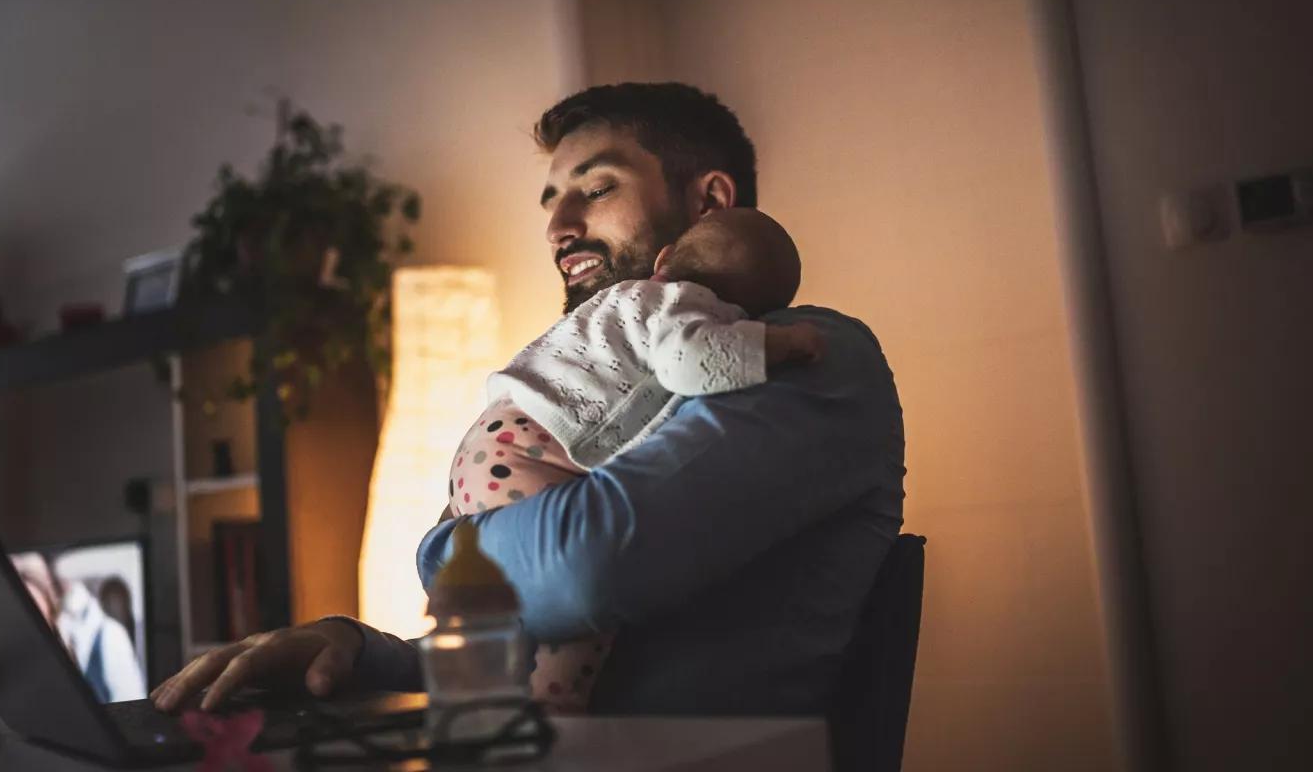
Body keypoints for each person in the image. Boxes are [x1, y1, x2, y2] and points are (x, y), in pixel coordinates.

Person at [152, 82, 905, 717]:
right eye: (551, 201)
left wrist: (443, 551)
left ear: (710, 202)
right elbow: (532, 650)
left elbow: (587, 567)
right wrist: (356, 650)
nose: (557, 226)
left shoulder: (813, 358)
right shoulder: (619, 395)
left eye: (597, 189)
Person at [453, 207, 824, 711]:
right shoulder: (686, 304)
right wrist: (779, 343)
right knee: (580, 615)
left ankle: (489, 706)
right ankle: (557, 715)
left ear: (665, 258)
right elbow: (689, 363)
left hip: (486, 444)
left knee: (509, 621)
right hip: (535, 449)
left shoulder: (618, 302)